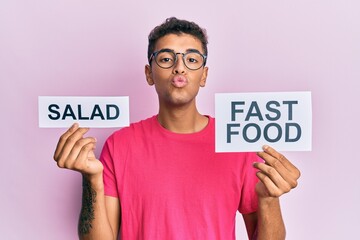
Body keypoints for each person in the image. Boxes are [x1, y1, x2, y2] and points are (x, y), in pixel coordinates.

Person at [53, 17, 300, 240]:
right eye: (166, 58)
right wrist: (91, 179)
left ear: (203, 76)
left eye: (191, 59)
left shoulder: (236, 143)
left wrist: (269, 200)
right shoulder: (120, 145)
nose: (179, 68)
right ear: (149, 74)